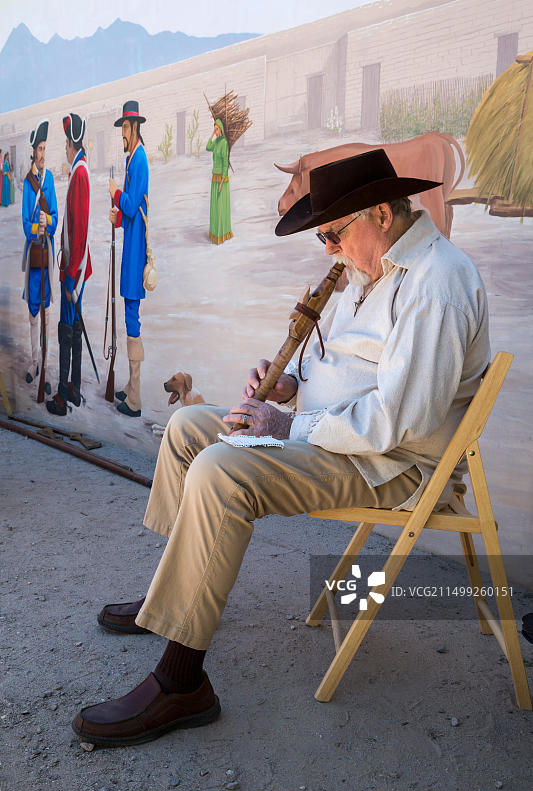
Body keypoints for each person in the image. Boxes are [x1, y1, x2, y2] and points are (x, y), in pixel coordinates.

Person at [72, 149, 490, 747]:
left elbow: (400, 420)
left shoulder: (437, 283)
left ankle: (182, 682)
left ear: (380, 212)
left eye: (332, 235)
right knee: (191, 427)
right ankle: (175, 589)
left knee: (223, 469)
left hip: (387, 464)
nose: (328, 250)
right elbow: (341, 367)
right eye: (323, 237)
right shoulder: (368, 268)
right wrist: (291, 385)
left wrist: (284, 422)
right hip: (334, 432)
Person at [46, 114, 92, 416]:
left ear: (72, 144)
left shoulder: (79, 174)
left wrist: (71, 275)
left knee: (67, 330)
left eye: (66, 142)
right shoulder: (80, 171)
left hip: (73, 271)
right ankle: (74, 387)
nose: (64, 146)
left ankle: (63, 396)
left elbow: (78, 231)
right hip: (75, 268)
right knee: (74, 329)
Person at [108, 100, 149, 418]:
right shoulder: (133, 159)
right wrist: (117, 217)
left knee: (132, 318)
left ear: (135, 128)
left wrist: (115, 195)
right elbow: (131, 214)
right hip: (131, 247)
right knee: (128, 317)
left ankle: (134, 400)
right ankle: (131, 386)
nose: (122, 133)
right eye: (121, 127)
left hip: (136, 254)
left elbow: (133, 206)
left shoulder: (139, 161)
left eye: (125, 127)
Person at [22, 119, 58, 391]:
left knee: (46, 311)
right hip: (34, 255)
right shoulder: (28, 182)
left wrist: (50, 223)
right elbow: (25, 223)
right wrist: (38, 226)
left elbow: (56, 215)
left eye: (46, 148)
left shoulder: (50, 180)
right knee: (33, 311)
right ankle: (34, 362)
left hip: (47, 258)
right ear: (34, 151)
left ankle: (44, 365)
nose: (43, 154)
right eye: (40, 149)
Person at [206, 119, 233, 244]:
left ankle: (223, 232)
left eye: (217, 129)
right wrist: (212, 134)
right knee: (215, 207)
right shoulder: (216, 141)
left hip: (221, 179)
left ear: (221, 129)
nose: (216, 131)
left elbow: (225, 163)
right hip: (214, 177)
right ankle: (215, 233)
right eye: (214, 129)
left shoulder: (224, 143)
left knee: (221, 206)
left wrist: (222, 180)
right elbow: (207, 147)